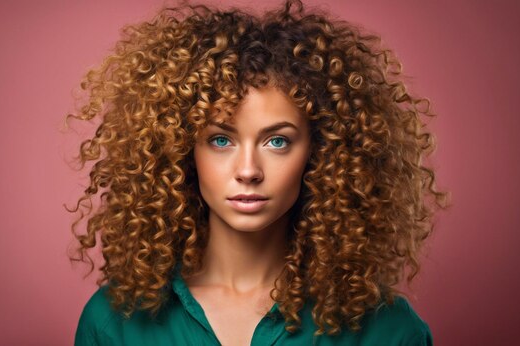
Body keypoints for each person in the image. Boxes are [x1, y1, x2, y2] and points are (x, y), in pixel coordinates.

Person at [66, 0, 448, 345]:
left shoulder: (390, 331)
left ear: (320, 154)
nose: (248, 171)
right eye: (220, 140)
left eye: (277, 142)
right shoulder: (114, 322)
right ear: (183, 151)